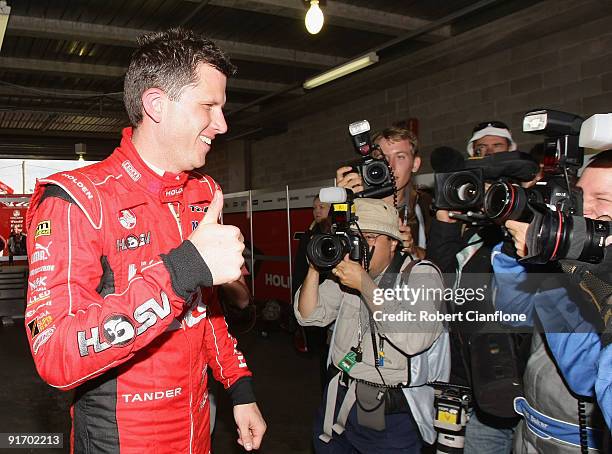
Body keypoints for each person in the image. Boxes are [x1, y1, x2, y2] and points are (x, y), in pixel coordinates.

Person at [24, 28, 266, 453]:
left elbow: (204, 310)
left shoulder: (202, 194)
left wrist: (239, 386)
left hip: (196, 428)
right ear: (156, 104)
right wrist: (183, 269)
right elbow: (55, 353)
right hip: (120, 439)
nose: (222, 124)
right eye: (209, 106)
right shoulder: (78, 200)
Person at [295, 198, 450, 453]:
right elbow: (308, 316)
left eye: (368, 237)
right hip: (339, 400)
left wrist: (365, 284)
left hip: (389, 418)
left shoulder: (420, 275)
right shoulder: (346, 275)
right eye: (353, 237)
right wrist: (314, 267)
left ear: (392, 244)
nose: (358, 246)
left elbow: (415, 339)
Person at [494, 150, 612, 451]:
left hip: (576, 439)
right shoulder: (575, 259)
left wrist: (560, 274)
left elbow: (584, 375)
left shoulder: (591, 274)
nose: (584, 209)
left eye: (604, 200)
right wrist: (514, 254)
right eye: (581, 196)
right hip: (532, 425)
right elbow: (513, 314)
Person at [427, 120, 524, 454]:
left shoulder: (530, 214)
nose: (489, 156)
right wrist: (445, 218)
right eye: (480, 150)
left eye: (497, 148)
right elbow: (441, 275)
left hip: (522, 376)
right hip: (474, 375)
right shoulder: (467, 218)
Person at [336, 122, 431, 259]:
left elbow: (440, 260)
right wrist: (341, 204)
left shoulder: (426, 206)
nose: (391, 166)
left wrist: (413, 250)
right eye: (383, 158)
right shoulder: (357, 203)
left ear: (415, 164)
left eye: (400, 157)